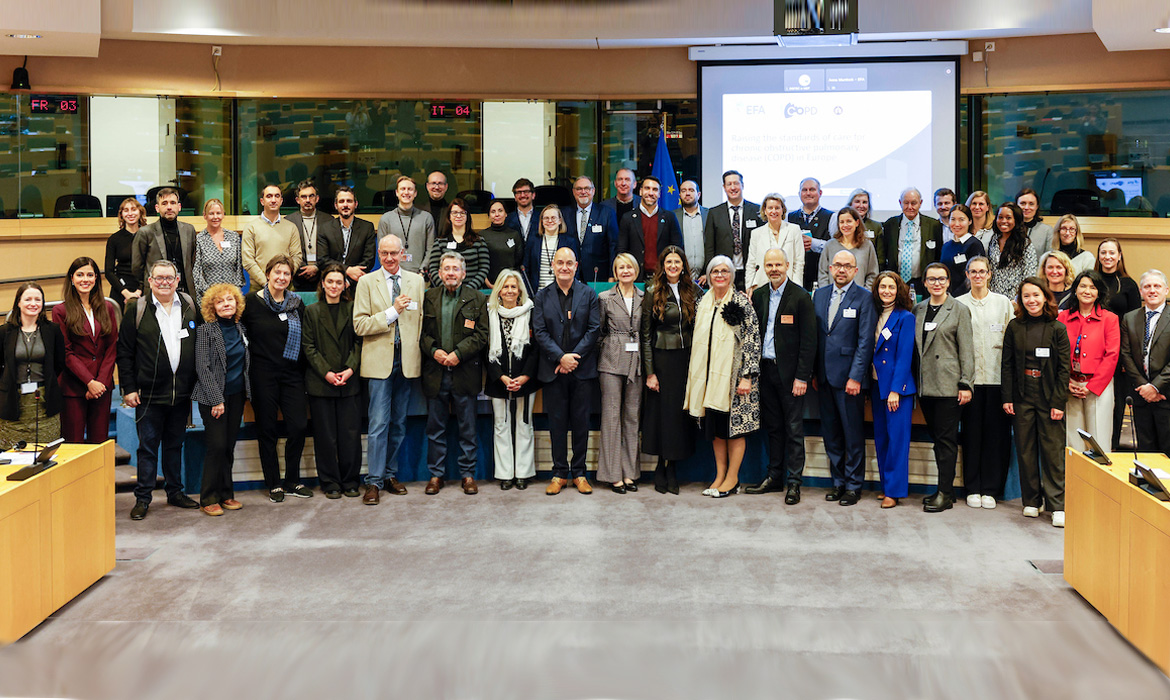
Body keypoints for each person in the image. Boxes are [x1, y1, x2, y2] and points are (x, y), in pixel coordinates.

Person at [117, 261, 200, 520]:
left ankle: (175, 492)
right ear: (150, 281)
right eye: (159, 278)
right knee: (148, 448)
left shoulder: (189, 306)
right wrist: (128, 388)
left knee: (175, 446)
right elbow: (125, 352)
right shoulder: (137, 309)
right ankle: (143, 498)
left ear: (177, 280)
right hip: (149, 394)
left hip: (181, 394)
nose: (164, 282)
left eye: (169, 278)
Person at [353, 234, 424, 504]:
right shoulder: (366, 283)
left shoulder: (416, 281)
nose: (390, 258)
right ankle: (373, 481)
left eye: (394, 253)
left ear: (402, 253)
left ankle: (390, 475)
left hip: (406, 361)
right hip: (378, 362)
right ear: (378, 254)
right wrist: (391, 312)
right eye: (385, 253)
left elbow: (418, 321)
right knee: (378, 424)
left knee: (399, 423)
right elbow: (360, 325)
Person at [684, 255, 760, 498]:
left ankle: (733, 478)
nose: (719, 275)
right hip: (709, 380)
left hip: (734, 380)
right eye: (715, 271)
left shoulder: (741, 303)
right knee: (716, 428)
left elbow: (751, 340)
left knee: (734, 429)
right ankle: (720, 475)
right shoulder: (703, 303)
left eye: (724, 271)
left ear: (731, 275)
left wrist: (747, 376)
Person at [746, 248, 816, 504]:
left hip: (791, 376)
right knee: (773, 427)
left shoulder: (800, 296)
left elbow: (809, 342)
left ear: (787, 265)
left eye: (778, 264)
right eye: (769, 265)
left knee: (794, 429)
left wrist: (802, 377)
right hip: (766, 371)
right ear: (763, 267)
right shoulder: (760, 295)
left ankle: (794, 482)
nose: (774, 269)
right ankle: (774, 477)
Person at [241, 254, 311, 502]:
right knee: (267, 429)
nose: (282, 277)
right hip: (262, 375)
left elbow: (305, 339)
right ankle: (274, 483)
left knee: (298, 426)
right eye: (277, 272)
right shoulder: (251, 302)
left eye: (286, 274)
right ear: (268, 274)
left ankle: (292, 480)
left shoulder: (296, 303)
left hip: (292, 374)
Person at [1002, 277, 1070, 527]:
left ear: (1045, 297)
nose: (1031, 300)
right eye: (1026, 296)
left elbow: (1064, 369)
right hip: (1021, 395)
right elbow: (1007, 364)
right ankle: (1031, 500)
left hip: (1049, 393)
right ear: (1021, 300)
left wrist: (1058, 402)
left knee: (1052, 451)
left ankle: (1056, 505)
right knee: (1025, 449)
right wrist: (1007, 397)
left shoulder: (1057, 328)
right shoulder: (1014, 327)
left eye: (1036, 295)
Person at [532, 247, 600, 496]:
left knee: (581, 423)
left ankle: (580, 474)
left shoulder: (589, 294)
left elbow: (593, 330)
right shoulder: (541, 296)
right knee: (557, 424)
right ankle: (559, 473)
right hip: (553, 371)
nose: (564, 267)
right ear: (553, 265)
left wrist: (573, 359)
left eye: (569, 263)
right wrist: (561, 357)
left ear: (576, 265)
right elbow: (539, 332)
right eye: (559, 262)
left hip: (582, 371)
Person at [420, 251, 488, 496]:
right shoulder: (428, 297)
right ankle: (436, 475)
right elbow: (421, 334)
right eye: (446, 268)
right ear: (439, 273)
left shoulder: (477, 298)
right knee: (435, 428)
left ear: (463, 272)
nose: (450, 273)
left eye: (455, 269)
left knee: (467, 428)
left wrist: (458, 353)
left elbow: (482, 335)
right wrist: (434, 350)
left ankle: (468, 474)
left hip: (464, 372)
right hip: (435, 372)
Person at [814, 249, 877, 506]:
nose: (841, 270)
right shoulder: (818, 295)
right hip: (824, 377)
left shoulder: (864, 298)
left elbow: (865, 342)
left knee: (852, 435)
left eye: (847, 266)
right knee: (831, 434)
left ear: (855, 270)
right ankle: (838, 482)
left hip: (849, 379)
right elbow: (816, 337)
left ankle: (853, 485)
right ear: (830, 268)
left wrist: (856, 377)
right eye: (837, 265)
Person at [914, 262, 975, 513]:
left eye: (941, 279)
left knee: (946, 441)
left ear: (949, 282)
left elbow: (968, 350)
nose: (936, 283)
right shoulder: (918, 309)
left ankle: (946, 494)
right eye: (931, 279)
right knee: (937, 440)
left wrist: (966, 383)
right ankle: (942, 489)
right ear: (925, 283)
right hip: (925, 385)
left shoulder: (959, 309)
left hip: (949, 386)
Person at [956, 256, 1015, 509]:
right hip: (970, 382)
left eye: (983, 271)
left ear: (990, 274)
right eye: (973, 272)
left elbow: (1011, 340)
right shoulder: (958, 304)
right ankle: (973, 487)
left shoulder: (1002, 303)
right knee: (971, 435)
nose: (978, 276)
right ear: (967, 275)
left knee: (996, 437)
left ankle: (991, 489)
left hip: (996, 380)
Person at [640, 246, 700, 495]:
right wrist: (650, 372)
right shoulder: (652, 291)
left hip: (685, 360)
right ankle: (660, 467)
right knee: (661, 415)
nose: (673, 266)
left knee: (678, 415)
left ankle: (672, 466)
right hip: (662, 359)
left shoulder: (693, 290)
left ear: (683, 264)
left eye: (677, 262)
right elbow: (645, 334)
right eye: (668, 262)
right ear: (662, 266)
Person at [302, 264, 363, 499]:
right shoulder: (312, 311)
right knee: (325, 436)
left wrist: (349, 369)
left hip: (349, 381)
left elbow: (360, 342)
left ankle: (350, 480)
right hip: (321, 383)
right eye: (330, 282)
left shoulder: (353, 308)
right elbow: (308, 346)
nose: (334, 286)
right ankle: (330, 482)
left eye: (339, 282)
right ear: (323, 284)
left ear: (345, 285)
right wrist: (326, 372)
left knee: (350, 435)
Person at [191, 283, 250, 516]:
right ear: (212, 307)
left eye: (230, 300)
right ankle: (208, 498)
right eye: (220, 301)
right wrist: (217, 400)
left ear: (237, 303)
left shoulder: (240, 328)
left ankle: (226, 495)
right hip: (212, 398)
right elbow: (202, 368)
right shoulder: (206, 330)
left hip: (236, 396)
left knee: (228, 447)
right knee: (216, 446)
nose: (226, 304)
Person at [52, 257, 117, 444]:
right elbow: (66, 352)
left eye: (90, 274)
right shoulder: (60, 311)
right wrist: (89, 382)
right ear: (72, 278)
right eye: (80, 275)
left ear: (96, 278)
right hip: (74, 388)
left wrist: (100, 383)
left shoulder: (107, 308)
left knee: (99, 445)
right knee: (74, 445)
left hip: (102, 387)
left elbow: (111, 347)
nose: (85, 279)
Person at [485, 269, 539, 490]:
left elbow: (537, 347)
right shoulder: (489, 312)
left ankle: (523, 474)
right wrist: (501, 377)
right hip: (498, 380)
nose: (509, 291)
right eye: (505, 286)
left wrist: (525, 376)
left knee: (524, 424)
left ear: (519, 291)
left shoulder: (531, 312)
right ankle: (505, 473)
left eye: (513, 287)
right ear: (498, 290)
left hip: (526, 380)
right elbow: (484, 346)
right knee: (501, 425)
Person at [596, 254, 644, 493]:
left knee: (632, 417)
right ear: (615, 272)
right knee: (612, 416)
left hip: (637, 362)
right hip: (611, 361)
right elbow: (599, 330)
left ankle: (630, 473)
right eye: (620, 267)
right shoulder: (604, 298)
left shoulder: (645, 297)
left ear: (635, 270)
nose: (625, 270)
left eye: (629, 266)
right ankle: (612, 474)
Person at [1058, 270, 1120, 450]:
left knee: (1098, 441)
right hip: (1071, 385)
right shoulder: (1062, 318)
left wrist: (1092, 386)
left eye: (1093, 287)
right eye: (1083, 286)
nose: (1087, 291)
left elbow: (1112, 355)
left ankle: (1099, 479)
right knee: (1074, 442)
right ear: (1075, 290)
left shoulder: (1110, 319)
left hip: (1098, 387)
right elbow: (1058, 354)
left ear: (1099, 292)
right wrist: (1067, 381)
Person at [870, 271, 916, 509]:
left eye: (891, 287)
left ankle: (895, 491)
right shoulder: (875, 315)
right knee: (882, 438)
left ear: (899, 290)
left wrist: (896, 390)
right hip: (877, 385)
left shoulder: (905, 317)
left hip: (896, 389)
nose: (886, 291)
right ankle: (887, 485)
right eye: (882, 287)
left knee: (898, 440)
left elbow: (904, 356)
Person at [0, 282, 64, 448]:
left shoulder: (53, 331)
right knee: (13, 456)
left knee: (45, 454)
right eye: (28, 299)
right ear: (18, 303)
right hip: (13, 401)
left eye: (38, 299)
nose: (33, 303)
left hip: (44, 400)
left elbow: (59, 363)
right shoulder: (4, 332)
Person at [1095, 238, 1142, 449]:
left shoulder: (1129, 284)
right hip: (1094, 351)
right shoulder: (1090, 281)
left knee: (1117, 402)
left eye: (1112, 253)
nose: (1107, 257)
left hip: (1119, 352)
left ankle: (1113, 448)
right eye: (1103, 252)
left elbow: (1134, 324)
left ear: (1119, 255)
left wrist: (1127, 356)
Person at [1119, 270, 1170, 454]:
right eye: (1147, 286)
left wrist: (1155, 387)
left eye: (1157, 286)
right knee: (1145, 451)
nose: (1152, 290)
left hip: (1166, 395)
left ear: (1166, 290)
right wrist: (1144, 386)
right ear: (1141, 291)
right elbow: (1125, 354)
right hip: (1141, 396)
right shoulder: (1130, 318)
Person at [131, 188, 197, 296]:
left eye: (173, 203)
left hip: (185, 291)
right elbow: (137, 267)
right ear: (157, 208)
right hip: (157, 291)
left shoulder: (189, 230)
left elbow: (193, 262)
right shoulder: (145, 232)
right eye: (164, 203)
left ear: (179, 207)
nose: (169, 207)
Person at [617, 176, 681, 282]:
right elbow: (621, 251)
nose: (651, 193)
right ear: (641, 191)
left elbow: (677, 249)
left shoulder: (670, 217)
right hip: (635, 278)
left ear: (659, 194)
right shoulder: (627, 218)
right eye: (647, 188)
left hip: (663, 278)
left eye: (655, 190)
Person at [703, 170, 760, 290]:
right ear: (724, 187)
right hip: (723, 273)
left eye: (736, 183)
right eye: (729, 184)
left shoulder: (756, 211)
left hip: (750, 272)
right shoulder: (714, 213)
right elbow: (709, 247)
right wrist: (710, 273)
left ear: (742, 185)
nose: (733, 187)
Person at [241, 184, 303, 293]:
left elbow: (297, 257)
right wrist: (268, 283)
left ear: (281, 200)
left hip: (286, 289)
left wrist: (282, 279)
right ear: (262, 201)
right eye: (269, 196)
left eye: (277, 196)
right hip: (259, 290)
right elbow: (248, 261)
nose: (273, 200)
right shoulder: (251, 227)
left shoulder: (291, 227)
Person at [881, 187, 943, 293]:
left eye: (914, 203)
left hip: (924, 284)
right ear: (900, 203)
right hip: (896, 282)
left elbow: (938, 255)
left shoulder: (934, 225)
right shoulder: (890, 225)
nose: (910, 207)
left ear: (920, 203)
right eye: (906, 203)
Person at [563, 176, 620, 284]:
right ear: (574, 192)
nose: (583, 192)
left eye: (587, 188)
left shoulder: (606, 213)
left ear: (593, 191)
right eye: (579, 189)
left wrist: (612, 275)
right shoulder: (564, 214)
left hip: (598, 275)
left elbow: (614, 246)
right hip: (571, 275)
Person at [745, 193, 804, 293]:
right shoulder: (756, 233)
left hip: (789, 287)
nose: (773, 211)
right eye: (770, 208)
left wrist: (797, 287)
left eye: (777, 208)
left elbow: (799, 262)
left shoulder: (794, 230)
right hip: (762, 287)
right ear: (765, 211)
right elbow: (751, 263)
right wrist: (750, 287)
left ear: (782, 210)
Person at [376, 175, 435, 274]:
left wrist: (422, 271)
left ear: (415, 193)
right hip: (393, 275)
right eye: (403, 189)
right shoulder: (386, 219)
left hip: (419, 275)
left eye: (410, 189)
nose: (406, 192)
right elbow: (382, 251)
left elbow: (431, 249)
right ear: (397, 193)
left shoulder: (426, 218)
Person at [426, 198, 490, 290]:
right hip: (445, 292)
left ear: (467, 216)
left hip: (472, 292)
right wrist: (446, 289)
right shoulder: (440, 242)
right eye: (455, 213)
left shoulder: (479, 241)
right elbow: (433, 269)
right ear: (449, 216)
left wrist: (468, 290)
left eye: (462, 212)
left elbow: (484, 268)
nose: (458, 216)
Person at [319, 186, 376, 285]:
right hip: (332, 283)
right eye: (341, 201)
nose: (345, 205)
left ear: (356, 204)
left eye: (349, 201)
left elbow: (369, 260)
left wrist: (350, 280)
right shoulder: (325, 228)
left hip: (358, 282)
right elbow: (323, 260)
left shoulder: (367, 227)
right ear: (336, 205)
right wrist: (347, 270)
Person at [191, 198, 245, 305]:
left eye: (218, 213)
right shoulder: (199, 239)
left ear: (223, 215)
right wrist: (211, 295)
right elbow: (196, 273)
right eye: (211, 213)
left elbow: (238, 269)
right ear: (205, 216)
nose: (215, 217)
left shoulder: (233, 237)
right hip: (207, 298)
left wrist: (233, 293)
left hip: (231, 298)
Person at [817, 206, 879, 291]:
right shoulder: (830, 245)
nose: (845, 225)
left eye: (849, 221)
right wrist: (827, 294)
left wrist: (864, 295)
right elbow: (823, 274)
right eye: (842, 222)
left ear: (857, 222)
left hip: (859, 299)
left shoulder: (867, 245)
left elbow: (873, 274)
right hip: (833, 297)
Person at [286, 180, 332, 292]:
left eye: (311, 196)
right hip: (297, 277)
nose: (307, 200)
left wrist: (316, 267)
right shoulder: (288, 221)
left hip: (323, 275)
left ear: (317, 199)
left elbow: (333, 249)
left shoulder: (329, 220)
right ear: (298, 200)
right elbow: (286, 250)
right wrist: (302, 268)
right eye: (303, 197)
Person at [987, 202, 1039, 297]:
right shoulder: (994, 239)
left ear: (1016, 220)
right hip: (995, 297)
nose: (1003, 221)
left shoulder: (1025, 243)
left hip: (1016, 299)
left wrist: (1020, 298)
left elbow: (1030, 274)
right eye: (1000, 217)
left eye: (1008, 218)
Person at [789, 177, 833, 289]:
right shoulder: (789, 217)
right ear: (799, 193)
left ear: (820, 193)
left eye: (812, 190)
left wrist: (814, 243)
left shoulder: (831, 217)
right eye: (804, 190)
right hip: (796, 278)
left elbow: (835, 247)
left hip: (822, 277)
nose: (808, 193)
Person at [522, 204, 577, 293]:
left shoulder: (569, 242)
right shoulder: (533, 241)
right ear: (542, 221)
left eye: (553, 218)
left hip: (562, 293)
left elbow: (574, 268)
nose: (550, 221)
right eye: (546, 218)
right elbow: (526, 268)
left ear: (559, 220)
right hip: (536, 293)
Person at [106, 197, 146, 309]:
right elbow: (109, 271)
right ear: (121, 214)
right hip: (120, 290)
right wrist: (126, 293)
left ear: (140, 212)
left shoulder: (149, 236)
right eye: (126, 210)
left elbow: (151, 266)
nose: (130, 213)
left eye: (133, 209)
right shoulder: (114, 239)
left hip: (144, 288)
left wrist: (139, 291)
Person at [938, 204, 986, 297]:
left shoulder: (974, 244)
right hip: (945, 296)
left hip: (966, 297)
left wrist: (955, 297)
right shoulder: (946, 246)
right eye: (953, 219)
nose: (956, 224)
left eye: (961, 220)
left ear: (970, 221)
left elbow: (976, 276)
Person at [481, 200, 525, 289]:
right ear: (489, 216)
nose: (497, 214)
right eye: (493, 212)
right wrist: (488, 284)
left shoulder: (514, 234)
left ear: (506, 214)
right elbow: (480, 263)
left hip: (510, 284)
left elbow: (518, 260)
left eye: (500, 211)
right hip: (489, 285)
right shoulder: (482, 235)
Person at [673, 179, 708, 275]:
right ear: (680, 195)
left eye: (691, 190)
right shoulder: (672, 216)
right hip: (681, 275)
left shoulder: (709, 215)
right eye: (683, 191)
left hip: (706, 276)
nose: (687, 193)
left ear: (699, 194)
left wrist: (709, 272)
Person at [1016, 188, 1053, 259]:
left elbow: (1050, 259)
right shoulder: (1009, 229)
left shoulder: (1047, 231)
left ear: (1037, 207)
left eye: (1031, 204)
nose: (1027, 207)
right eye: (1023, 203)